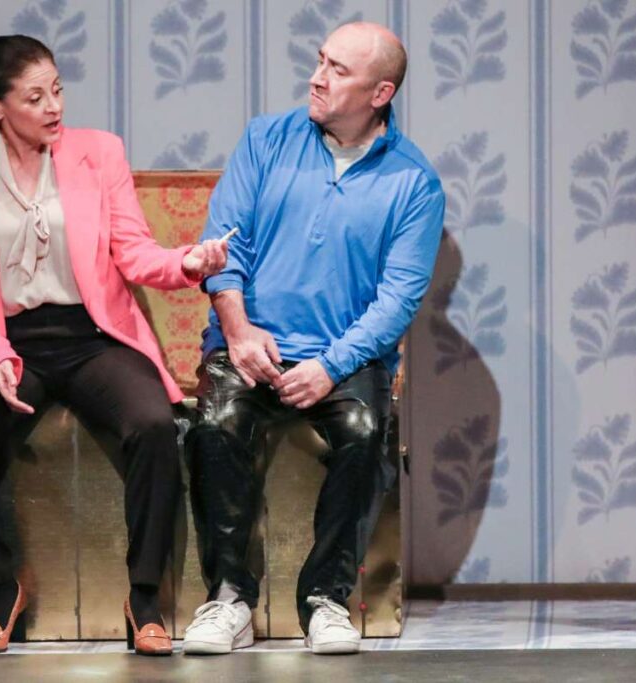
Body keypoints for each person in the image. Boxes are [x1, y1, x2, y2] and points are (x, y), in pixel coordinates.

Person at [0, 35, 227, 656]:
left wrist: (188, 261)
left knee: (152, 424)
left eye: (58, 90)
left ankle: (143, 598)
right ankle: (1, 590)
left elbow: (133, 251)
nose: (54, 106)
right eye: (35, 97)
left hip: (92, 337)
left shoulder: (98, 153)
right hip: (8, 342)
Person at [182, 22, 444, 655]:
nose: (317, 76)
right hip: (249, 341)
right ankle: (229, 597)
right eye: (319, 60)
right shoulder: (265, 139)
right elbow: (223, 248)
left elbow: (398, 299)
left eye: (338, 70)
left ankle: (326, 598)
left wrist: (331, 365)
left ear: (380, 92)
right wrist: (238, 332)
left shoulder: (414, 182)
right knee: (214, 423)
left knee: (364, 433)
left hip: (343, 354)